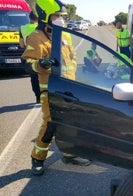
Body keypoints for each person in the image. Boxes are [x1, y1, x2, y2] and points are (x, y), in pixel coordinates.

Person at [22, 0, 91, 176]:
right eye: (56, 16)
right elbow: (27, 63)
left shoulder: (65, 36)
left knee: (70, 122)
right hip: (50, 89)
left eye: (61, 16)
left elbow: (72, 60)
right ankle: (37, 158)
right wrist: (41, 63)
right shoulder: (37, 37)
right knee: (50, 124)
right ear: (45, 16)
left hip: (69, 89)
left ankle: (69, 154)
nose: (60, 19)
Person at [19, 11, 41, 104]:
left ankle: (38, 97)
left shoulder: (23, 28)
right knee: (45, 77)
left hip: (30, 57)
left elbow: (21, 45)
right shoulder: (42, 28)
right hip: (42, 55)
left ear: (30, 18)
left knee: (34, 78)